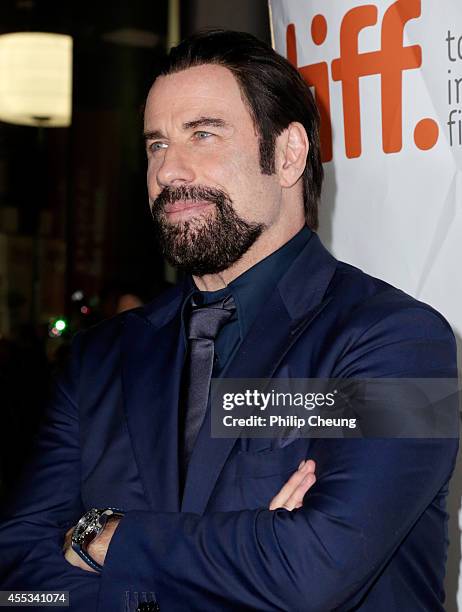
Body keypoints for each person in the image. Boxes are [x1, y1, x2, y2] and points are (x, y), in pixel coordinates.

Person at [0, 29, 458, 612]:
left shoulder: (403, 343)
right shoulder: (100, 359)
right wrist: (248, 552)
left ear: (289, 154)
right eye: (156, 144)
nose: (168, 170)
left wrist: (102, 538)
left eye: (203, 134)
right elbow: (20, 587)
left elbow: (312, 571)